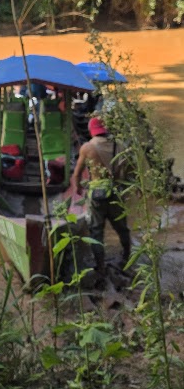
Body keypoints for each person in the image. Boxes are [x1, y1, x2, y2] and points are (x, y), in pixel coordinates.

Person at [71, 116, 131, 278]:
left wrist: (78, 187)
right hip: (116, 193)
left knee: (96, 231)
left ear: (92, 131)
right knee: (122, 228)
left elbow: (77, 174)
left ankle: (101, 266)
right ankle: (127, 257)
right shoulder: (121, 145)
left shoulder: (87, 147)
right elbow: (128, 172)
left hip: (97, 196)